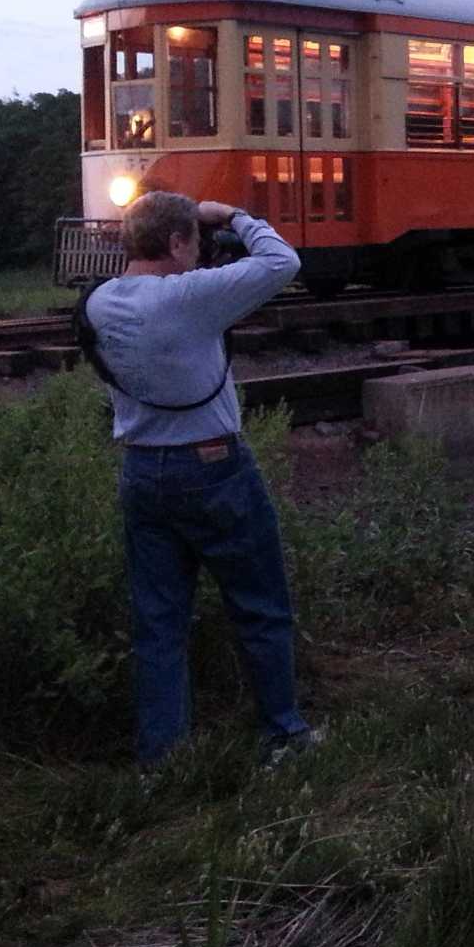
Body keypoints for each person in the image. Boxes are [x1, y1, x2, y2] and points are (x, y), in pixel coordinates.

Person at [83, 190, 314, 770]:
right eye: (193, 240)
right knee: (259, 605)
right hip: (213, 467)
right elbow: (283, 262)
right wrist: (233, 216)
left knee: (158, 623)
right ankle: (283, 737)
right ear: (179, 242)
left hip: (141, 470)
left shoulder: (97, 303)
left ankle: (162, 760)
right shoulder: (191, 296)